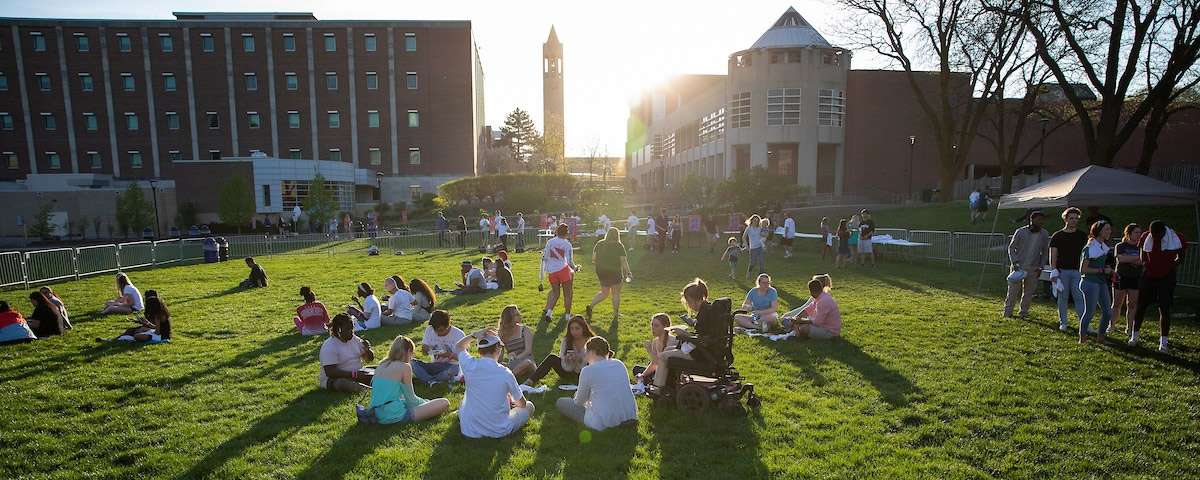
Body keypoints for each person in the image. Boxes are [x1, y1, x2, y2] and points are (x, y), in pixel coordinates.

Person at [454, 326, 535, 439]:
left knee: (463, 402)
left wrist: (474, 335)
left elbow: (459, 346)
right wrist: (510, 399)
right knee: (529, 406)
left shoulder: (469, 364)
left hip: (469, 430)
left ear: (479, 350)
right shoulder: (505, 373)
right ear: (498, 347)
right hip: (498, 431)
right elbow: (522, 404)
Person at [652, 278, 726, 390]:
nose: (689, 306)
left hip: (701, 353)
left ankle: (658, 388)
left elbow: (703, 342)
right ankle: (668, 384)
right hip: (710, 351)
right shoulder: (708, 308)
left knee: (663, 356)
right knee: (668, 350)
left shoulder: (704, 314)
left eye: (688, 303)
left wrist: (684, 334)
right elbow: (704, 336)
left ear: (690, 299)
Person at [556, 336, 638, 431]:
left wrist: (577, 395)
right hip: (628, 416)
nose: (585, 356)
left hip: (603, 422)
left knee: (561, 402)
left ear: (591, 351)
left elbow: (579, 402)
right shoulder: (619, 364)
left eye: (586, 352)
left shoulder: (588, 370)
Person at [1130, 220, 1187, 352]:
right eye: (1154, 236)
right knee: (1141, 306)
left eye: (1159, 236)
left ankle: (1163, 342)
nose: (1156, 239)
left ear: (1164, 232)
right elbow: (1142, 252)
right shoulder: (1145, 236)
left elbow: (1181, 257)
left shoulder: (1177, 237)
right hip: (1149, 275)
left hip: (1167, 276)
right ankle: (1134, 336)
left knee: (1164, 308)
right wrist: (1146, 264)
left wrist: (1169, 267)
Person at [369, 335, 452, 424]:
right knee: (444, 402)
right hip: (394, 415)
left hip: (375, 414)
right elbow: (412, 401)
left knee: (401, 395)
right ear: (409, 351)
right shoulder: (404, 366)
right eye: (412, 353)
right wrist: (427, 402)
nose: (412, 357)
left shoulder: (381, 366)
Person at [524, 315, 594, 386]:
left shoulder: (591, 341)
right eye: (572, 329)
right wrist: (566, 360)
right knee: (551, 358)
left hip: (586, 373)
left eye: (577, 328)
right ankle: (530, 381)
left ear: (583, 328)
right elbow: (562, 359)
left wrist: (581, 360)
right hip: (568, 371)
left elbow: (595, 362)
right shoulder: (566, 340)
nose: (574, 332)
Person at [1004, 211, 1049, 318]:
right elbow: (1011, 247)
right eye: (1039, 219)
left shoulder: (1044, 234)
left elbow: (1045, 251)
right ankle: (1007, 312)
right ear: (1032, 219)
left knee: (1029, 292)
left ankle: (1024, 312)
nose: (1041, 222)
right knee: (1013, 291)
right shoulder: (1021, 232)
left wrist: (1041, 267)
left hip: (1033, 268)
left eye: (1042, 220)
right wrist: (1014, 262)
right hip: (1019, 266)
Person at [1049, 207, 1087, 332]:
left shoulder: (1082, 235)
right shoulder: (1058, 235)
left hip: (1077, 271)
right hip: (1062, 270)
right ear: (1066, 219)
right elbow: (1053, 255)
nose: (1074, 221)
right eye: (1071, 218)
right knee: (1063, 297)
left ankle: (1084, 323)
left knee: (1079, 297)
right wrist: (1054, 270)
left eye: (1076, 219)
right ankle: (1063, 322)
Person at [317, 313, 375, 392]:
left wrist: (367, 350)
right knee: (343, 384)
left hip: (358, 373)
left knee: (381, 368)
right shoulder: (329, 346)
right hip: (336, 379)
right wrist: (354, 375)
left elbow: (369, 359)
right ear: (339, 330)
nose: (351, 332)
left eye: (352, 328)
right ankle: (367, 390)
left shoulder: (354, 339)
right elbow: (330, 372)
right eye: (348, 329)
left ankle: (383, 383)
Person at [1079, 220, 1115, 344]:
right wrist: (1102, 270)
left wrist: (1109, 271)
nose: (1109, 232)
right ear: (1099, 231)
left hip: (1100, 282)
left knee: (1108, 312)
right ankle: (1082, 339)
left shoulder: (1102, 247)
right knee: (1090, 312)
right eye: (1106, 229)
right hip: (1090, 282)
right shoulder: (1090, 248)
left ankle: (1101, 337)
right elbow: (1083, 269)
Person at [586, 227, 632, 322]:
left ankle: (591, 306)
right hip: (615, 272)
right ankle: (615, 313)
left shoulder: (599, 244)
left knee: (604, 292)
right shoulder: (619, 246)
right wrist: (628, 273)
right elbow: (623, 261)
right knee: (615, 293)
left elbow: (593, 258)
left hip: (601, 272)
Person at [540, 224, 581, 323]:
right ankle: (567, 315)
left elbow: (545, 257)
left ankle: (549, 312)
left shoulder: (550, 242)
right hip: (563, 270)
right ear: (567, 233)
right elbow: (570, 261)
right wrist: (575, 268)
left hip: (552, 271)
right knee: (568, 294)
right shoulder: (567, 245)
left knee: (555, 293)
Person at [412, 310, 466, 386]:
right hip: (434, 365)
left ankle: (427, 379)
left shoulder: (459, 335)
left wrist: (448, 355)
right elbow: (424, 354)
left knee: (452, 371)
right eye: (435, 331)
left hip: (452, 366)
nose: (438, 334)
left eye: (441, 330)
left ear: (448, 325)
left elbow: (464, 359)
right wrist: (425, 349)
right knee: (412, 362)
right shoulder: (429, 330)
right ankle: (432, 380)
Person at [97, 295, 173, 343]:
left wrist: (148, 333)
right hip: (161, 334)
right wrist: (146, 324)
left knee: (137, 336)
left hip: (161, 336)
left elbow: (157, 332)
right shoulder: (162, 313)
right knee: (139, 329)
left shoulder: (158, 316)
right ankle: (115, 339)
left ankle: (124, 339)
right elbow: (157, 327)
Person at [1112, 223, 1144, 333]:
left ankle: (1130, 327)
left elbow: (1142, 261)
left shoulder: (1141, 247)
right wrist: (1136, 258)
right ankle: (1112, 325)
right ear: (1129, 234)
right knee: (1117, 303)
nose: (1139, 235)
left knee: (1132, 304)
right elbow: (1121, 259)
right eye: (1136, 232)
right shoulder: (1120, 246)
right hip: (1121, 276)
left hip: (1135, 277)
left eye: (1140, 233)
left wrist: (1129, 258)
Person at [632, 313, 675, 384]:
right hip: (658, 370)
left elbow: (663, 365)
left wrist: (650, 351)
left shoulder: (672, 341)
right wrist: (643, 375)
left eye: (656, 326)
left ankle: (650, 382)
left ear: (665, 327)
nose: (653, 328)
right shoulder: (656, 341)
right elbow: (654, 364)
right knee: (637, 369)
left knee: (656, 376)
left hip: (667, 374)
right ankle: (647, 380)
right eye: (652, 325)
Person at [497, 305, 536, 378]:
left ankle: (508, 379)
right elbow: (500, 358)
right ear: (510, 317)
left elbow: (528, 350)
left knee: (527, 363)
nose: (520, 316)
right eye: (517, 315)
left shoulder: (525, 330)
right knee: (496, 364)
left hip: (526, 362)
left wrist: (517, 357)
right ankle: (511, 376)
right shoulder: (503, 333)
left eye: (519, 313)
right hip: (512, 364)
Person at [742, 214, 765, 279]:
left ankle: (760, 278)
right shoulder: (749, 228)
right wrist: (747, 246)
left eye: (757, 221)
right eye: (755, 221)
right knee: (753, 263)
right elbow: (743, 237)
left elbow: (764, 235)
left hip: (761, 247)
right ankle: (749, 272)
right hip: (753, 248)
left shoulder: (760, 228)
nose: (756, 222)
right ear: (751, 221)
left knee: (761, 264)